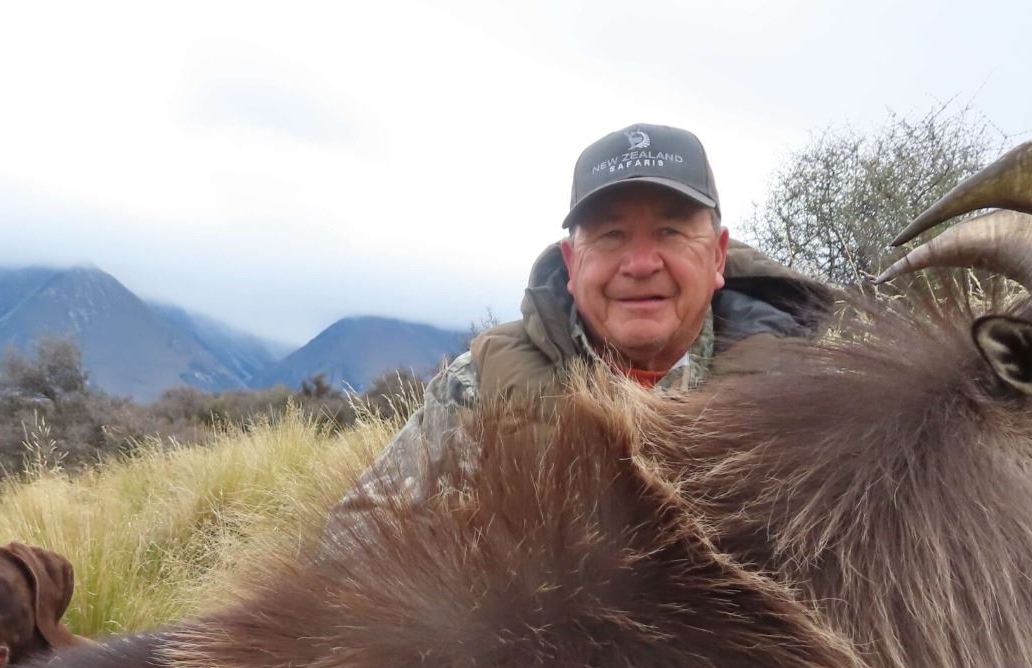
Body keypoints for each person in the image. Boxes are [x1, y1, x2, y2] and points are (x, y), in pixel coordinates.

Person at [327, 123, 835, 535]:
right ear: (572, 262)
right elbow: (354, 540)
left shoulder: (807, 388)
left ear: (718, 256)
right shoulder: (480, 385)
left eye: (671, 231)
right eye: (611, 235)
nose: (640, 264)